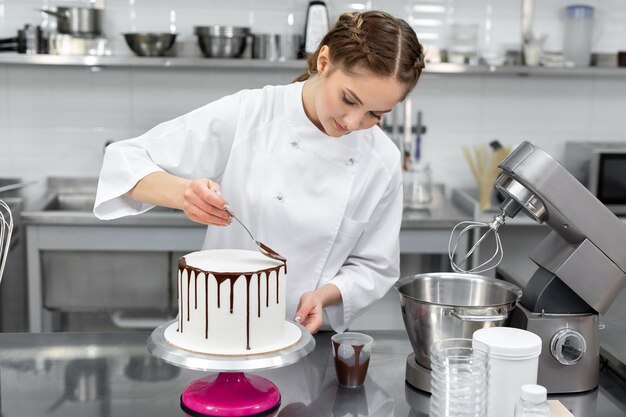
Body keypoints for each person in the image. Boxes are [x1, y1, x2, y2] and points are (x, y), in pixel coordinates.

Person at [94, 10, 425, 334]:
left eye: (375, 114)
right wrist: (184, 195)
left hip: (306, 335)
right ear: (324, 61)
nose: (353, 123)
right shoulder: (251, 113)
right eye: (348, 99)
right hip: (219, 327)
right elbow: (125, 159)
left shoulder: (381, 159)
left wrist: (324, 296)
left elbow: (375, 266)